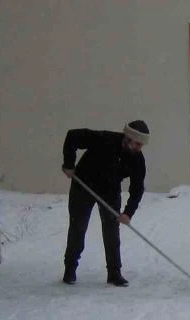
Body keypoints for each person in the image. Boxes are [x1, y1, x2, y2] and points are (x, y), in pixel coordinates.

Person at [60, 120, 149, 287]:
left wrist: (128, 213)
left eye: (141, 145)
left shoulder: (137, 160)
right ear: (128, 138)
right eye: (137, 143)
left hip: (110, 190)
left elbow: (137, 189)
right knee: (78, 227)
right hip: (83, 185)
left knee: (111, 231)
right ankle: (70, 269)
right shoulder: (104, 139)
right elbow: (73, 136)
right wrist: (69, 164)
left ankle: (114, 273)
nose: (139, 148)